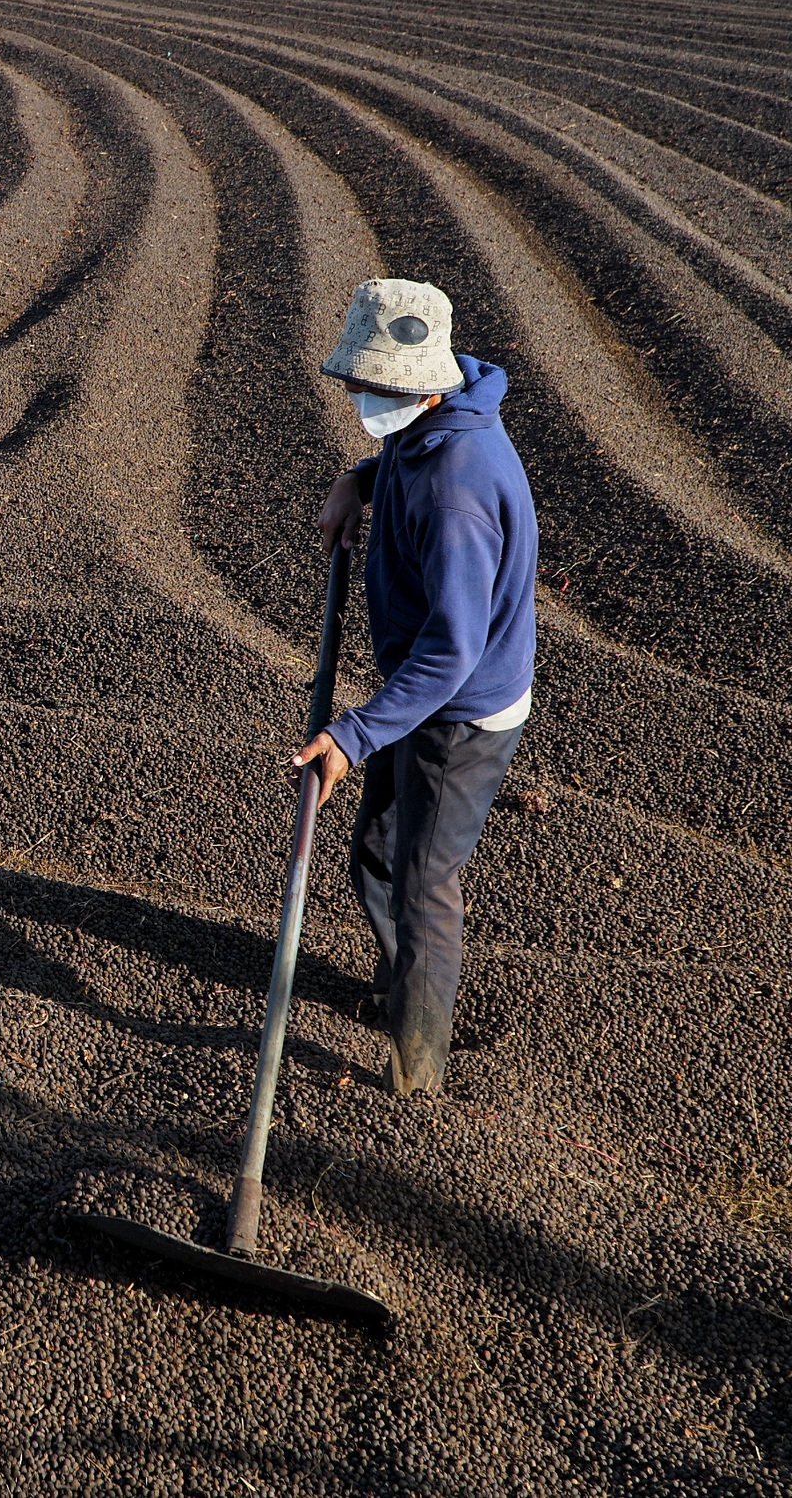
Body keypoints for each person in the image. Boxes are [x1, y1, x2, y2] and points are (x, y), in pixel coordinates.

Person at [291, 279, 537, 1098]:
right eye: (361, 381)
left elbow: (452, 651)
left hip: (460, 712)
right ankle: (406, 991)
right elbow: (399, 452)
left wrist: (354, 736)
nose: (363, 397)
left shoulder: (456, 491)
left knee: (423, 879)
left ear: (423, 383)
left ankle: (418, 1070)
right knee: (376, 851)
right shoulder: (432, 419)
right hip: (421, 689)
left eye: (375, 386)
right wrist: (356, 482)